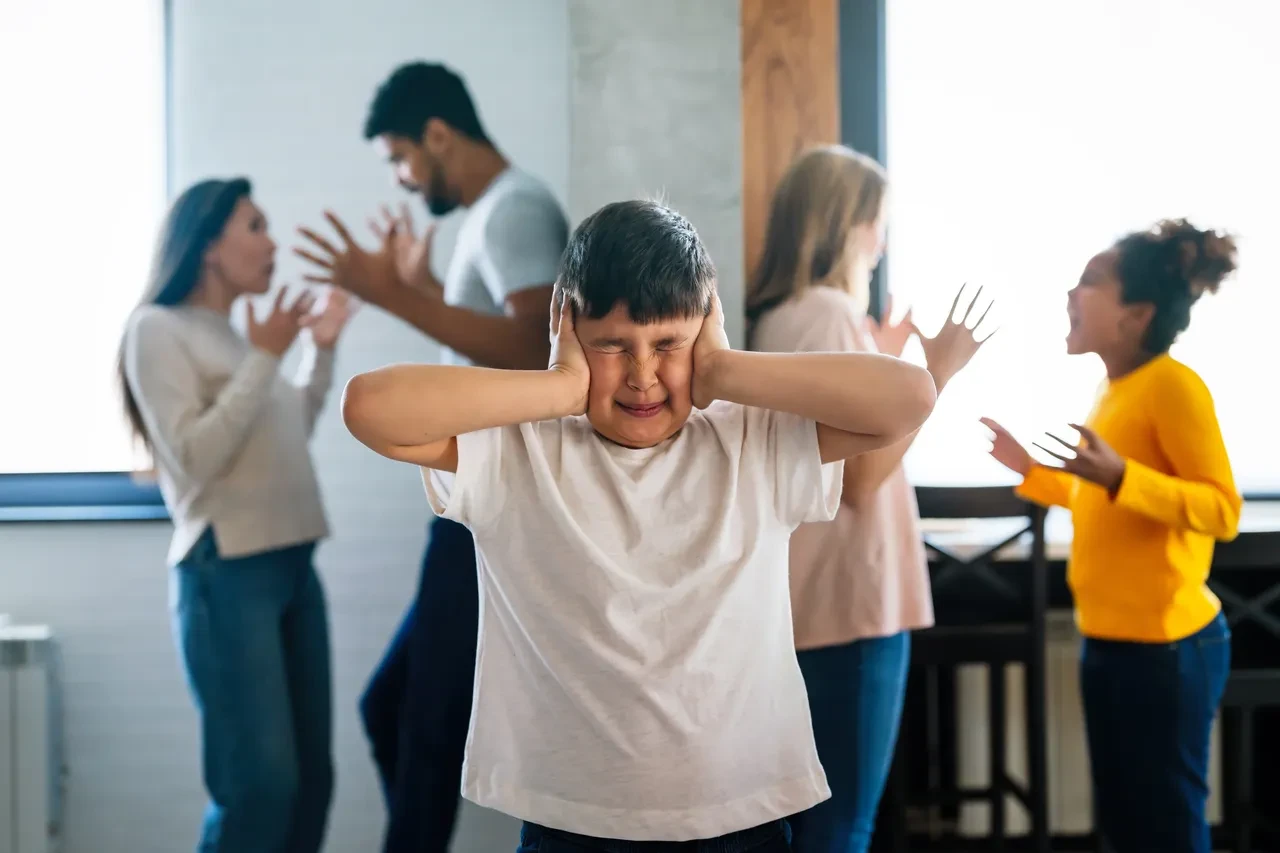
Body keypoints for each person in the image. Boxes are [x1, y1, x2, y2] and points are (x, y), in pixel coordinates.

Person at [338, 199, 938, 852]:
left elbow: (911, 398)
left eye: (669, 345)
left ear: (707, 330)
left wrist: (726, 370)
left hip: (741, 817)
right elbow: (371, 407)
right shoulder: (518, 450)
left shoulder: (752, 440)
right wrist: (562, 387)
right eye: (613, 347)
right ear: (566, 327)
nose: (645, 375)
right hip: (571, 826)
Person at [293, 61, 569, 851]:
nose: (405, 179)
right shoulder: (488, 215)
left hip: (493, 509)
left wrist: (399, 297)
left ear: (438, 135)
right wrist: (429, 298)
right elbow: (490, 349)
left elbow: (535, 348)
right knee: (395, 712)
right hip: (470, 501)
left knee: (422, 727)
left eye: (401, 158)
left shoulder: (517, 207)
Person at [746, 145, 992, 853]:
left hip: (816, 601)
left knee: (818, 820)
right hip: (852, 603)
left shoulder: (790, 314)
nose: (881, 241)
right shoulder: (827, 314)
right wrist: (932, 372)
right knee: (843, 824)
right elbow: (858, 480)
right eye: (874, 222)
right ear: (843, 224)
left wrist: (880, 359)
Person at [981, 219, 1241, 853]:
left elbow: (1221, 510)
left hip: (1169, 651)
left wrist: (1124, 475)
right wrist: (1033, 473)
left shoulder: (1175, 387)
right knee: (1127, 824)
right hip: (1110, 644)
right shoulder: (1114, 389)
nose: (1071, 293)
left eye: (1089, 282)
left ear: (1137, 315)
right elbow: (1102, 498)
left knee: (1166, 824)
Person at [118, 177, 355, 853]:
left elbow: (288, 433)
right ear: (208, 245)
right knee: (258, 787)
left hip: (292, 565)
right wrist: (268, 354)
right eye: (256, 226)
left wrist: (323, 347)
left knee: (313, 780)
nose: (273, 242)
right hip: (226, 573)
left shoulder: (234, 334)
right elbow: (195, 456)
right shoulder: (156, 331)